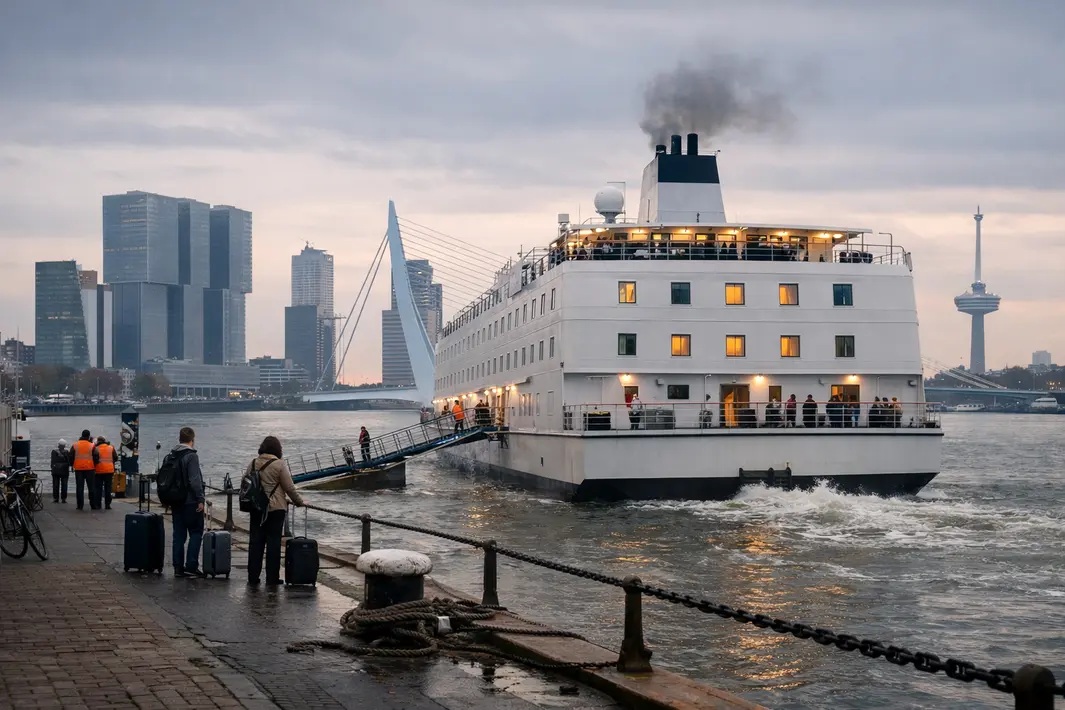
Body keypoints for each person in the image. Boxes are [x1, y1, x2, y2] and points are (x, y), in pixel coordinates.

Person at [244, 436, 304, 586]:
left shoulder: (252, 463)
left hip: (256, 508)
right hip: (275, 509)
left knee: (255, 543)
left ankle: (253, 576)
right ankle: (272, 578)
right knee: (273, 544)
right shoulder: (279, 465)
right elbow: (289, 488)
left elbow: (245, 483)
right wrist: (299, 502)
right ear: (278, 449)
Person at [170, 427, 206, 578]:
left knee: (178, 535)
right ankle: (191, 566)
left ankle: (178, 568)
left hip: (175, 501)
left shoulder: (171, 455)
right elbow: (194, 480)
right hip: (190, 501)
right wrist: (200, 499)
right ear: (192, 439)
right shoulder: (191, 456)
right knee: (196, 532)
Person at [71, 429, 98, 510]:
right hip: (90, 468)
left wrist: (72, 465)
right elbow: (96, 455)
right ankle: (93, 505)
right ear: (88, 436)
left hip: (78, 469)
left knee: (79, 488)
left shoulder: (75, 445)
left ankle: (80, 506)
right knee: (91, 487)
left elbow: (71, 455)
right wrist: (95, 464)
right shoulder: (92, 445)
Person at [93, 436, 117, 510]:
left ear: (98, 441)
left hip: (99, 471)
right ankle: (107, 505)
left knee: (98, 488)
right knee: (108, 488)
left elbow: (94, 459)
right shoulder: (111, 447)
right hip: (109, 470)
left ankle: (98, 504)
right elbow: (115, 458)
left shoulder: (96, 448)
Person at [50, 439, 72, 503]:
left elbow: (52, 461)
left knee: (55, 485)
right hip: (64, 471)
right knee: (64, 485)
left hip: (55, 471)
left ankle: (56, 498)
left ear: (58, 445)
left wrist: (52, 468)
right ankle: (63, 498)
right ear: (64, 445)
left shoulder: (54, 451)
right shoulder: (66, 452)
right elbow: (69, 462)